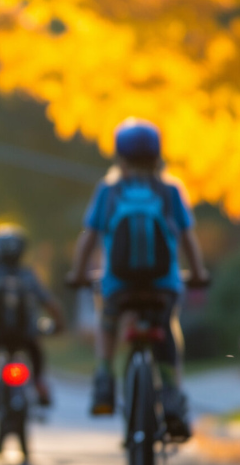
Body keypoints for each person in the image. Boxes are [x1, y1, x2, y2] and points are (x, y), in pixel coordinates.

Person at [65, 118, 209, 440]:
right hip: (163, 285)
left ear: (120, 157)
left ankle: (104, 379)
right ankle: (171, 394)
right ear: (158, 156)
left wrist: (78, 274)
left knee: (109, 318)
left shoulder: (109, 190)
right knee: (168, 326)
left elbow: (89, 237)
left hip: (119, 285)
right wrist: (198, 274)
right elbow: (188, 238)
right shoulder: (170, 190)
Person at [0, 225, 65, 406]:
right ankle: (39, 383)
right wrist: (59, 323)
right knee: (35, 350)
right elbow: (49, 303)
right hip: (25, 334)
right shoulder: (28, 275)